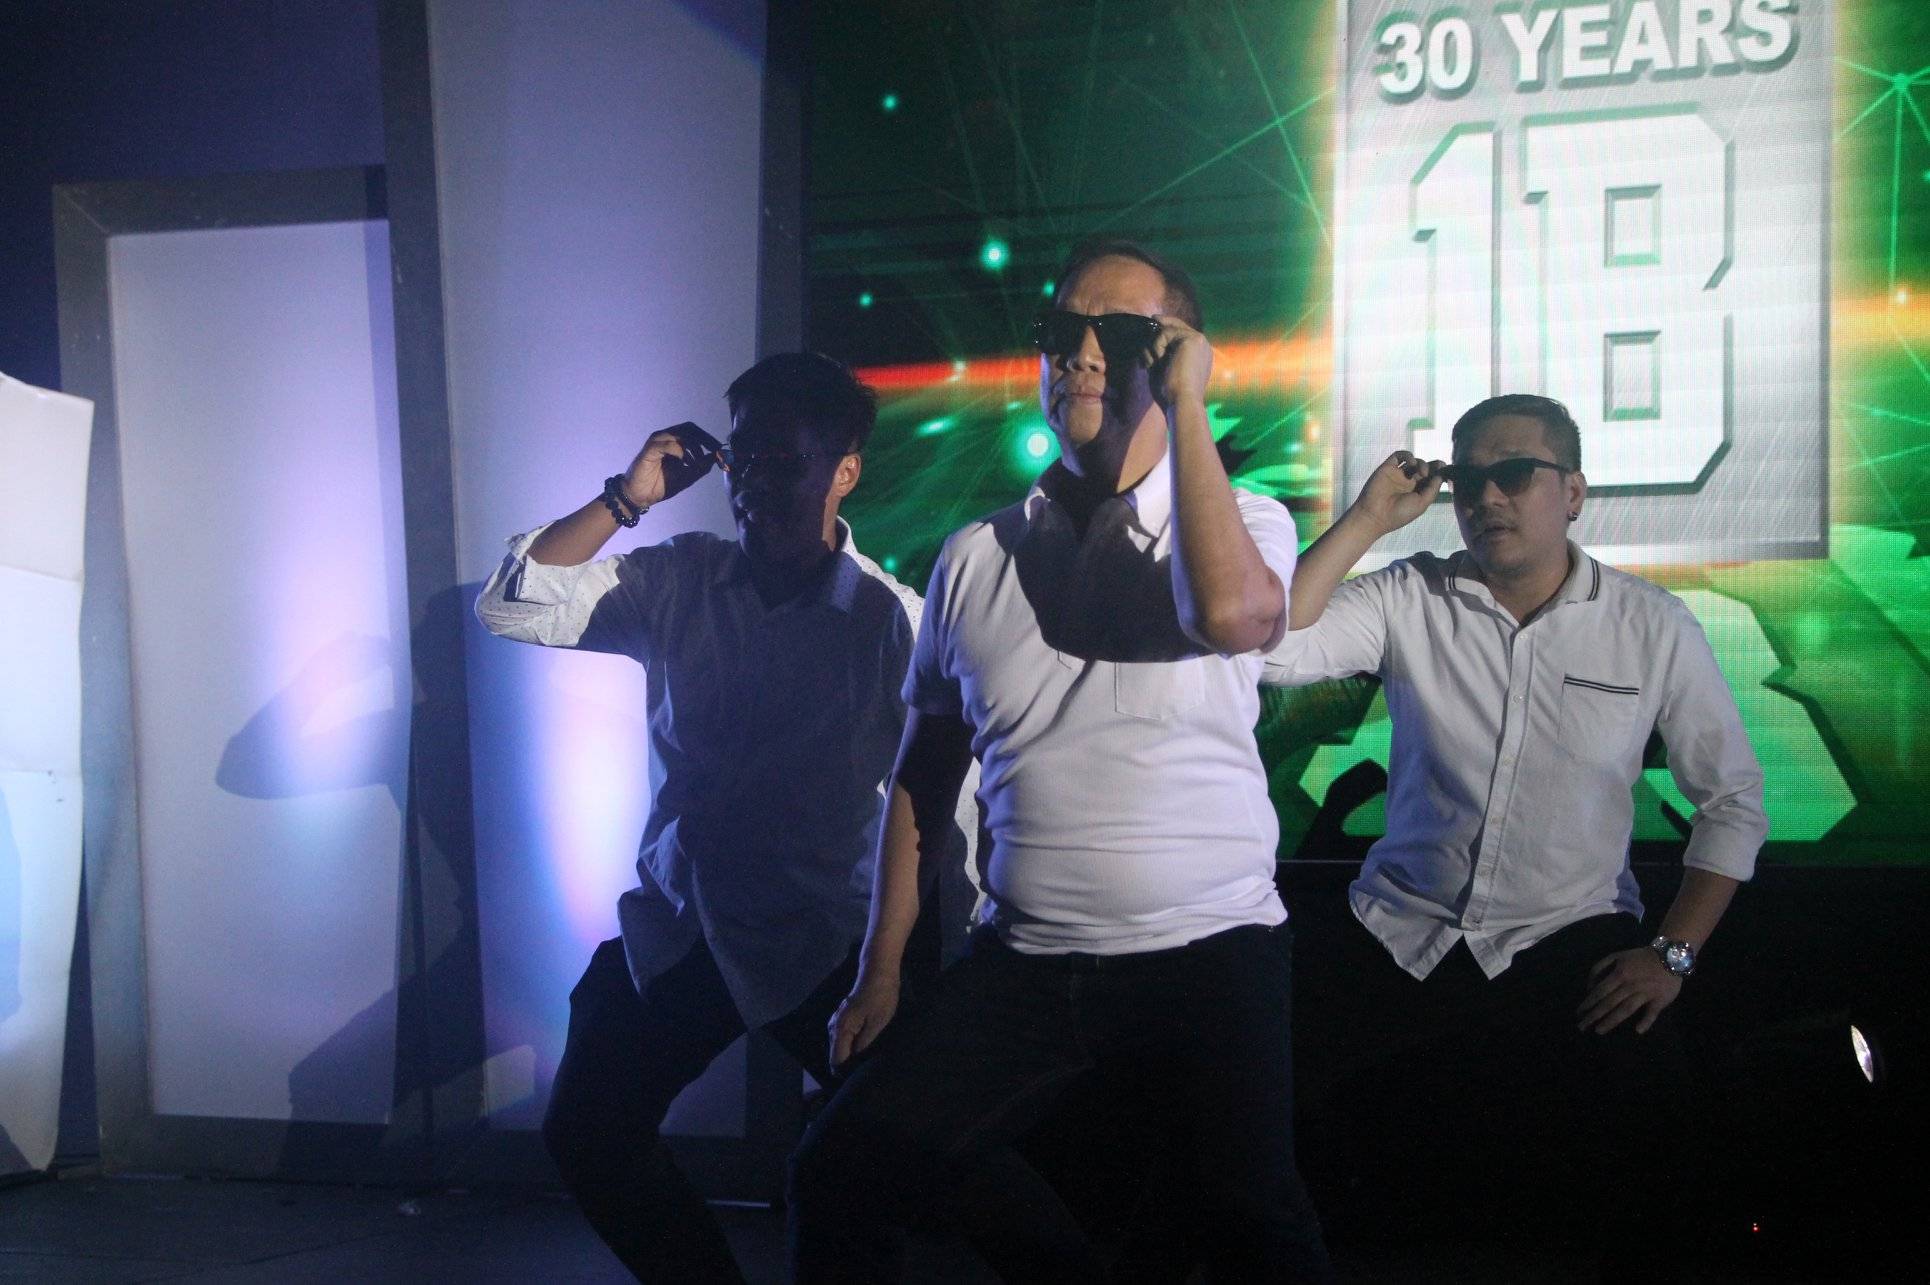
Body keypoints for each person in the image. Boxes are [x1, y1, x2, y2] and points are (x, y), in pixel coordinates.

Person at [787, 240, 1334, 1284]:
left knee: (1257, 1229)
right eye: (1061, 331)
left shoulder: (1242, 520)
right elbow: (924, 773)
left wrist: (1185, 408)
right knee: (840, 1174)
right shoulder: (974, 555)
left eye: (1120, 335)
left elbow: (1231, 614)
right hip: (1027, 961)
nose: (1081, 355)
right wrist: (881, 966)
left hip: (1208, 953)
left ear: (1178, 354)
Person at [1268, 393, 1767, 1253]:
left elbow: (1732, 800)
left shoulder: (1650, 625)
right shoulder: (1412, 593)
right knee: (1281, 1135)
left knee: (1650, 1180)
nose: (1486, 498)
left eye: (1514, 474)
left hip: (1566, 940)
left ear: (1573, 492)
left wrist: (1672, 955)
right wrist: (1367, 519)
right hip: (1398, 931)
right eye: (1468, 480)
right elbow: (1273, 646)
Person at [475, 352, 926, 1283]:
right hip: (687, 923)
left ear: (845, 470)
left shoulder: (890, 622)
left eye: (784, 461)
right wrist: (626, 496)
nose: (755, 483)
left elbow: (938, 800)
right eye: (743, 458)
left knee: (877, 1163)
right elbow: (514, 603)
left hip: (819, 937)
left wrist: (898, 962)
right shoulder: (681, 576)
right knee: (590, 1130)